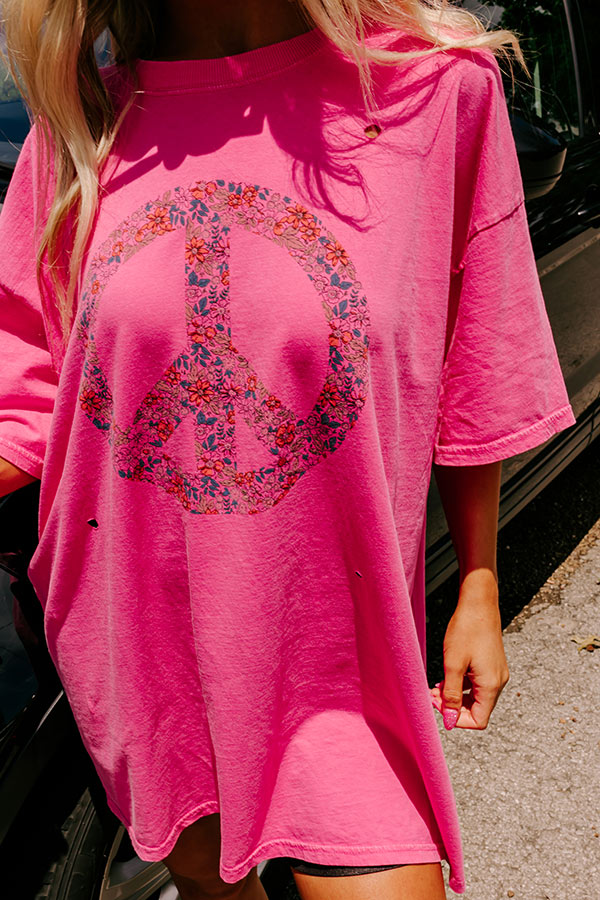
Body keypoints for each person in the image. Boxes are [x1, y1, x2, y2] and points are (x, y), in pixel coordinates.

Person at [0, 1, 576, 898]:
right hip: (147, 641)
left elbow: (477, 368)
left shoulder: (433, 94)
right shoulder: (81, 128)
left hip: (337, 654)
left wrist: (479, 583)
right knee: (208, 883)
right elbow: (27, 392)